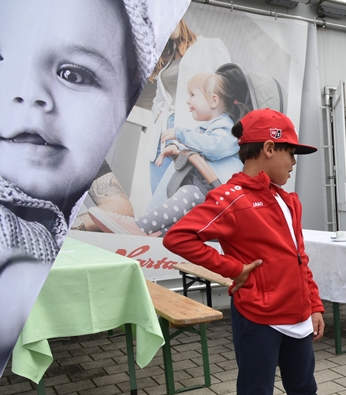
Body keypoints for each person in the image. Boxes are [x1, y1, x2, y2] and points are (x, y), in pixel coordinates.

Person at [163, 108, 333, 395]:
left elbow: (299, 257)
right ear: (269, 148)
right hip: (258, 319)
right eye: (291, 153)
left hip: (298, 318)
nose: (294, 162)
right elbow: (179, 237)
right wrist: (233, 269)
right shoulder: (232, 197)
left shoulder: (288, 200)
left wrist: (314, 304)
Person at [0, 0, 159, 371]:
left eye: (72, 74)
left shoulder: (72, 158)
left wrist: (69, 227)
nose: (29, 93)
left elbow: (119, 208)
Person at [89, 70, 249, 236]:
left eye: (193, 95)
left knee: (188, 194)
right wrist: (177, 151)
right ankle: (155, 233)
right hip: (208, 190)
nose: (188, 100)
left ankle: (141, 227)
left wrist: (180, 134)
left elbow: (213, 147)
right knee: (179, 201)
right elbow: (200, 148)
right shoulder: (206, 128)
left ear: (214, 100)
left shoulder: (227, 128)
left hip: (220, 194)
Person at [146, 19, 230, 197]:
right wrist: (158, 114)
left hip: (190, 133)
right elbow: (159, 98)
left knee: (181, 195)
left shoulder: (209, 46)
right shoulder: (167, 59)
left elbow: (225, 89)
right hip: (162, 135)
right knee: (158, 196)